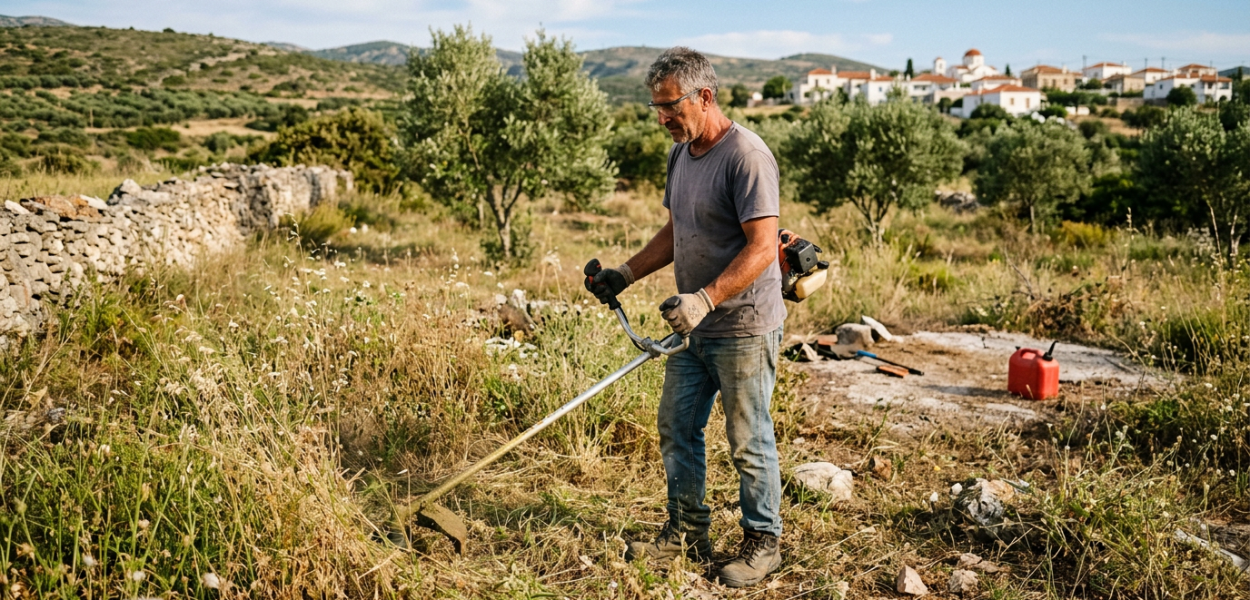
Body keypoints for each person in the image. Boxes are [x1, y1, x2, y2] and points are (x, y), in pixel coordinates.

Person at [584, 47, 785, 588]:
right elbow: (677, 232)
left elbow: (763, 247)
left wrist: (705, 298)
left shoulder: (746, 155)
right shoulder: (682, 154)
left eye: (670, 106)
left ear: (705, 96)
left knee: (748, 438)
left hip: (741, 324)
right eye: (656, 107)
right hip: (692, 328)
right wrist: (625, 273)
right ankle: (687, 531)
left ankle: (763, 543)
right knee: (677, 428)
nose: (662, 118)